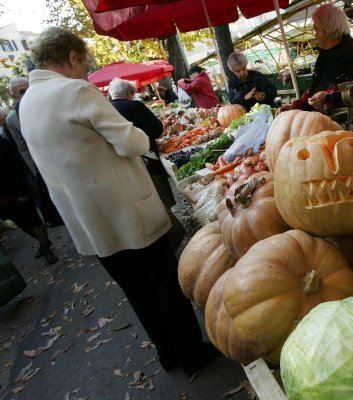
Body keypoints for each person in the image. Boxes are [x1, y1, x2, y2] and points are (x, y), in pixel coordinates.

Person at [19, 27, 216, 375]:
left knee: (137, 291)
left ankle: (167, 353)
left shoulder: (28, 103)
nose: (86, 73)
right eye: (85, 64)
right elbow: (133, 143)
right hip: (127, 213)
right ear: (72, 57)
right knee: (164, 284)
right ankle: (191, 353)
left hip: (90, 223)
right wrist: (138, 133)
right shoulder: (75, 91)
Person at [108, 77, 185, 252]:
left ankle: (163, 239)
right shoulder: (134, 106)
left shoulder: (108, 110)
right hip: (148, 159)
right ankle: (172, 237)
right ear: (129, 93)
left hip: (126, 165)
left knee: (145, 203)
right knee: (160, 199)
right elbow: (157, 129)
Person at [279, 4, 353, 114]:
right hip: (332, 121)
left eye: (316, 30)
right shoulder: (324, 56)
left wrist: (328, 98)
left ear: (326, 31)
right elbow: (313, 92)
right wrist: (295, 106)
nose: (315, 36)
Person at [5, 77, 64, 229]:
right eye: (22, 91)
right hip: (43, 165)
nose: (27, 93)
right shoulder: (12, 119)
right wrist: (35, 169)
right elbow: (22, 147)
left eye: (29, 88)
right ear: (13, 96)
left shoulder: (47, 103)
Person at [0, 134, 57, 264]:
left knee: (33, 218)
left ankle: (47, 250)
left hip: (16, 188)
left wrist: (23, 191)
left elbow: (17, 167)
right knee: (21, 223)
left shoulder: (3, 143)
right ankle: (43, 242)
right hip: (3, 197)